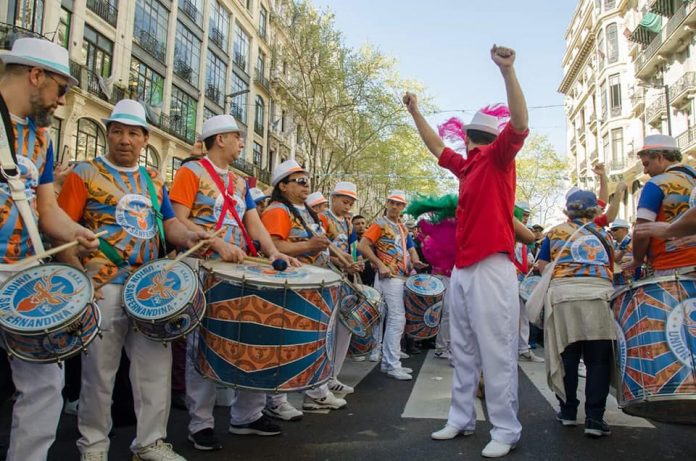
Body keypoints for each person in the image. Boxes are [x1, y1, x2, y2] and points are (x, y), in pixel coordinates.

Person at [57, 99, 208, 461]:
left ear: (145, 139)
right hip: (101, 285)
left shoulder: (153, 180)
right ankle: (93, 446)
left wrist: (188, 237)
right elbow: (61, 230)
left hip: (149, 289)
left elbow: (169, 223)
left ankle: (150, 442)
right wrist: (78, 280)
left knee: (154, 368)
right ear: (108, 134)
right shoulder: (83, 173)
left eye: (133, 133)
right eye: (118, 132)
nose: (125, 140)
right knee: (99, 372)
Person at [404, 44, 527, 457]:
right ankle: (460, 417)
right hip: (464, 269)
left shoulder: (498, 158)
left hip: (492, 266)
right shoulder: (468, 165)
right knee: (463, 347)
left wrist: (508, 73)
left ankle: (506, 429)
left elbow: (521, 123)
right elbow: (436, 147)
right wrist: (415, 114)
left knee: (495, 348)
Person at [169, 114, 296, 450]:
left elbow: (253, 223)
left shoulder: (240, 183)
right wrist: (215, 244)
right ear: (220, 138)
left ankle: (247, 416)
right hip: (203, 268)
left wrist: (272, 253)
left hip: (239, 271)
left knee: (251, 338)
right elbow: (178, 223)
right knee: (204, 345)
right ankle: (201, 424)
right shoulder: (190, 172)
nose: (242, 142)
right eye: (238, 137)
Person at [0, 37, 99, 461]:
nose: (62, 101)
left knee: (44, 383)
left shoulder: (42, 140)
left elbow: (48, 211)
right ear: (35, 76)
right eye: (61, 89)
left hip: (23, 271)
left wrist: (77, 232)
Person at [260, 159, 347, 411]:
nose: (306, 184)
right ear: (283, 186)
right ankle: (276, 401)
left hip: (313, 287)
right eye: (299, 181)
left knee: (315, 341)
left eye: (307, 180)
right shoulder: (278, 210)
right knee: (285, 342)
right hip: (290, 287)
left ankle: (316, 391)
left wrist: (343, 261)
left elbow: (322, 244)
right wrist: (309, 246)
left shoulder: (307, 211)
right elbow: (274, 248)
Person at [536, 190, 616, 439]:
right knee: (598, 360)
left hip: (564, 297)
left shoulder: (555, 232)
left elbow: (542, 267)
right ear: (595, 210)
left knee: (567, 357)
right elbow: (611, 266)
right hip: (598, 297)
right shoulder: (604, 234)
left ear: (567, 209)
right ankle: (594, 418)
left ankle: (568, 411)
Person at [358, 190, 427, 380]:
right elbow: (362, 246)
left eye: (399, 204)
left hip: (401, 276)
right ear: (387, 203)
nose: (395, 206)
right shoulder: (379, 224)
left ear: (403, 207)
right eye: (392, 203)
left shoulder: (402, 227)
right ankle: (391, 363)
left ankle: (390, 363)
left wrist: (415, 259)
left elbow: (411, 247)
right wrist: (379, 264)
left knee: (397, 319)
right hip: (389, 276)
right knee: (397, 318)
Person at [627, 134, 696, 276]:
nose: (645, 171)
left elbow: (641, 230)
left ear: (659, 157)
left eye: (646, 164)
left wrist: (637, 259)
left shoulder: (656, 183)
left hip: (673, 266)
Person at [319, 181, 363, 394]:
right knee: (326, 328)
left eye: (350, 203)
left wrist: (356, 262)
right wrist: (341, 261)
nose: (347, 207)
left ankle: (333, 375)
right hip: (327, 278)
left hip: (345, 279)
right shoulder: (322, 219)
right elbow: (321, 249)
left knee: (345, 328)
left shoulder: (347, 223)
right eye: (344, 202)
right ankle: (321, 377)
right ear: (333, 198)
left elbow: (353, 249)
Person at [608, 219, 637, 285]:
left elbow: (644, 258)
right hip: (616, 281)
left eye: (615, 229)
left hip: (632, 280)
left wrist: (629, 259)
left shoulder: (634, 242)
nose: (612, 232)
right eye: (610, 231)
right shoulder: (612, 245)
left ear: (625, 229)